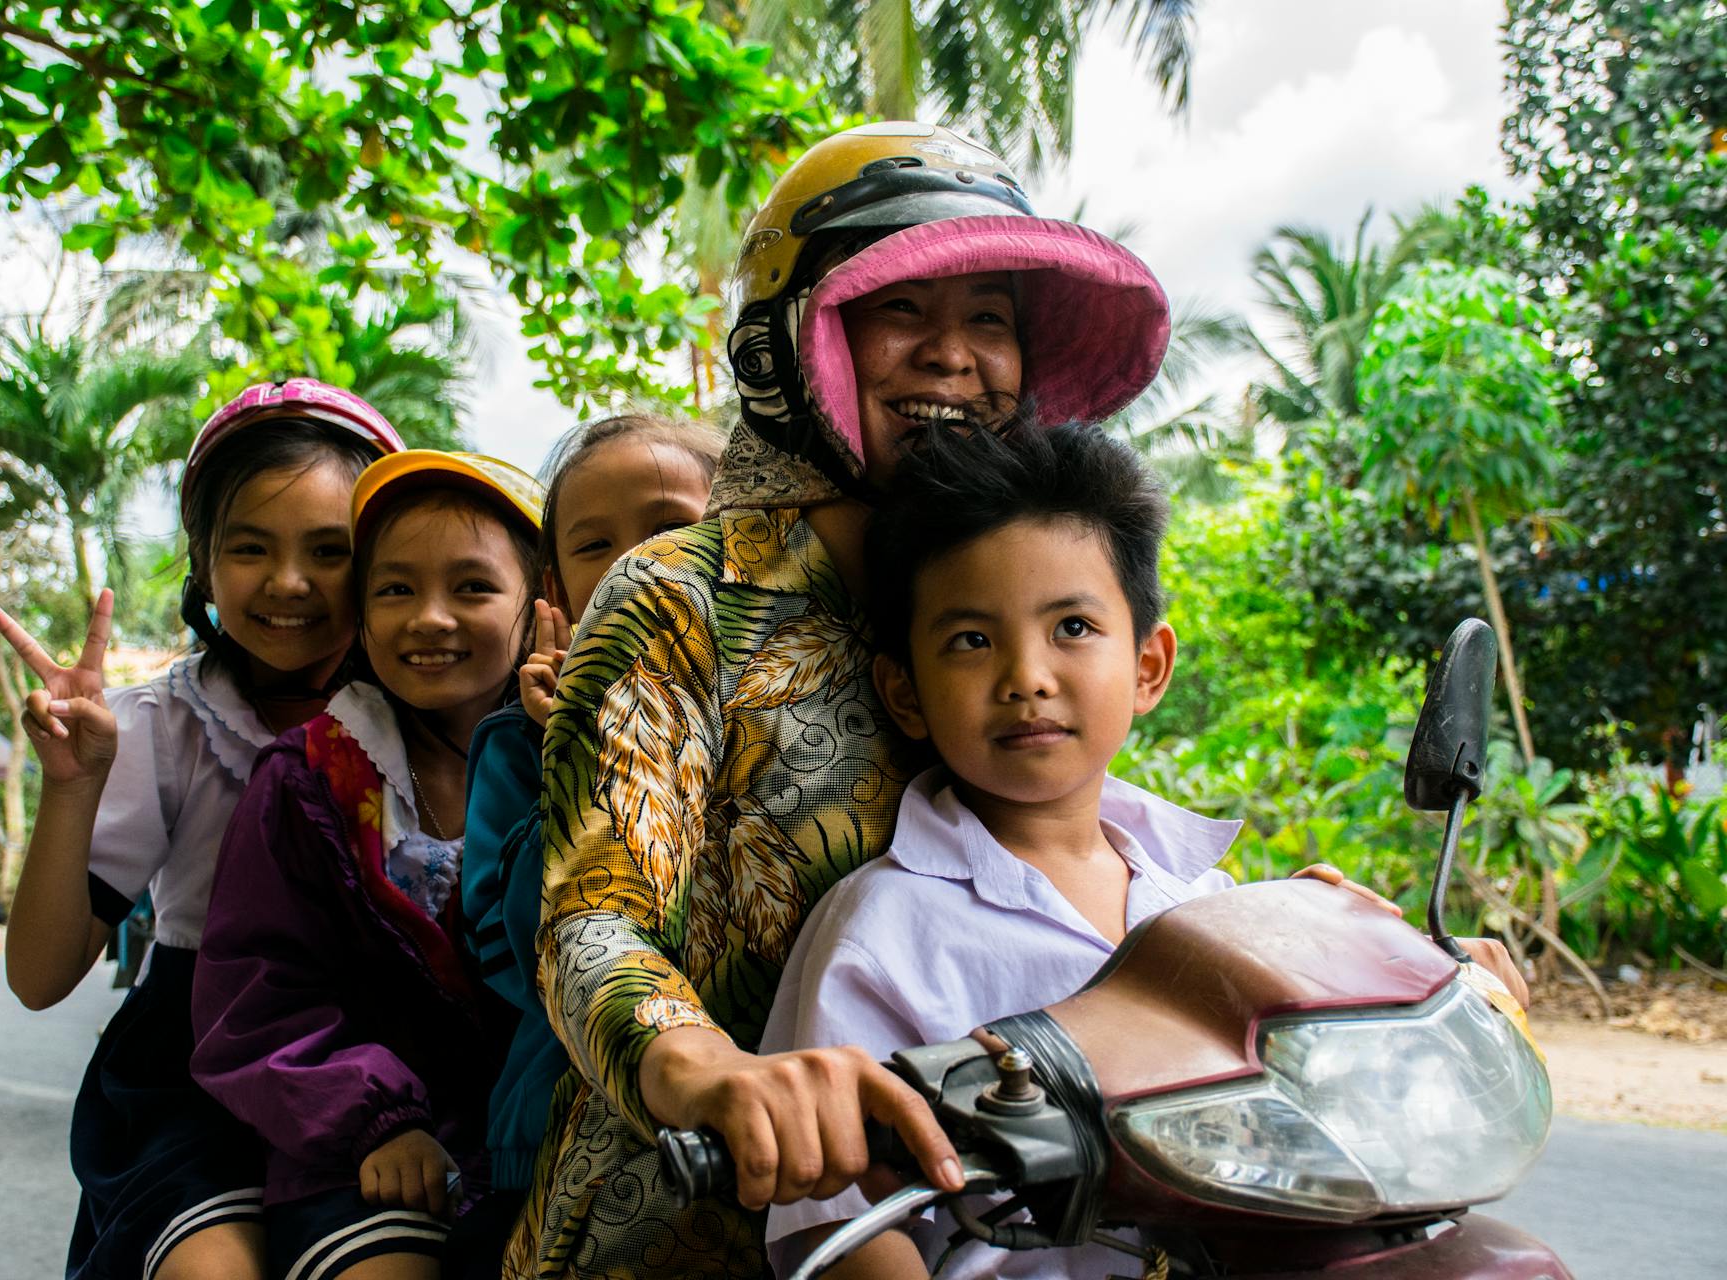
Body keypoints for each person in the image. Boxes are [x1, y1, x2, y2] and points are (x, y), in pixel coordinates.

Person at [507, 121, 1177, 1279]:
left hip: (991, 1231)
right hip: (682, 1225)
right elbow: (590, 918)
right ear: (793, 342)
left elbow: (1081, 831)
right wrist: (711, 1072)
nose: (955, 357)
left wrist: (1278, 938)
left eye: (990, 319)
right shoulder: (685, 592)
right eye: (904, 312)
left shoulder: (1017, 589)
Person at [758, 421, 1532, 1279]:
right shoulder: (882, 929)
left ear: (1149, 666)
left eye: (1074, 627)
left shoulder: (1210, 901)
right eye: (970, 640)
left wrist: (1371, 973)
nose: (1028, 676)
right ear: (904, 690)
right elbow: (836, 1226)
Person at [0, 379, 404, 1280]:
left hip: (380, 1071)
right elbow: (39, 977)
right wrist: (74, 787)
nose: (289, 583)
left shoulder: (424, 714)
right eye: (250, 547)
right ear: (203, 565)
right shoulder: (162, 727)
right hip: (192, 1075)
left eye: (329, 551)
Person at [192, 451, 545, 1280]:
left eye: (472, 588)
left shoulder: (577, 758)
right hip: (358, 1158)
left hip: (545, 1143)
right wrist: (377, 1119)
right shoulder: (307, 780)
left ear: (541, 607)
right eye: (394, 590)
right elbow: (257, 994)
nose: (429, 618)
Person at [458, 415, 722, 1211]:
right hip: (557, 1137)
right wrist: (569, 749)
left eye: (671, 529)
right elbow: (511, 950)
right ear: (556, 591)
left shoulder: (787, 718)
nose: (635, 566)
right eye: (594, 545)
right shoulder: (517, 747)